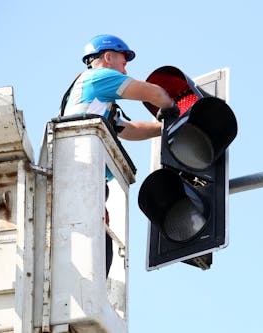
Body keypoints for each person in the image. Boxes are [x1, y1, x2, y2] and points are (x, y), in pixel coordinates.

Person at [61, 34, 178, 277]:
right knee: (95, 243)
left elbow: (129, 129)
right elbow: (151, 93)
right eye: (124, 60)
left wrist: (164, 128)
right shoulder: (99, 77)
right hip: (81, 173)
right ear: (108, 57)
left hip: (83, 175)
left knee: (99, 240)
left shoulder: (95, 101)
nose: (125, 67)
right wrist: (172, 108)